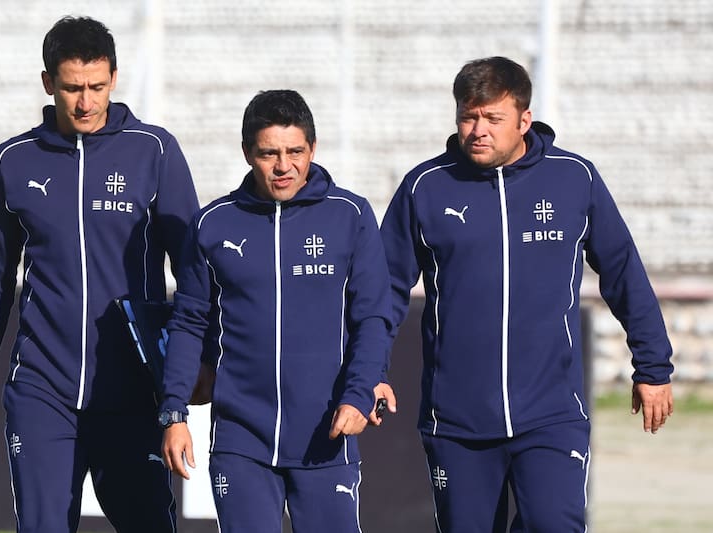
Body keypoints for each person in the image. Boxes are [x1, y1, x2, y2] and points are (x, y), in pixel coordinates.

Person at [380, 56, 674, 532]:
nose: (478, 130)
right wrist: (368, 373)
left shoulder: (574, 179)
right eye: (468, 117)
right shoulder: (424, 188)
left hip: (551, 414)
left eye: (493, 118)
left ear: (524, 120)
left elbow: (623, 273)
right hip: (456, 422)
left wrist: (654, 366)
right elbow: (383, 293)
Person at [0, 16, 199, 533]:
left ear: (113, 77)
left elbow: (196, 274)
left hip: (133, 394)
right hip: (42, 391)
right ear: (49, 83)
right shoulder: (13, 161)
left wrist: (189, 372)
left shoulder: (154, 151)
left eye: (97, 86)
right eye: (72, 88)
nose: (85, 101)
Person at [159, 89, 392, 533]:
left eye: (294, 152)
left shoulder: (351, 215)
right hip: (240, 441)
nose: (283, 166)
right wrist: (174, 413)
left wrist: (359, 394)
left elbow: (372, 320)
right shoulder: (212, 225)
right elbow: (188, 324)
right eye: (269, 153)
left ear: (313, 148)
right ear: (248, 153)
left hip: (326, 436)